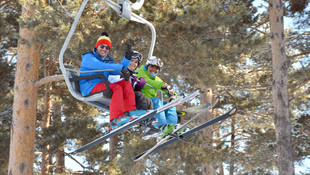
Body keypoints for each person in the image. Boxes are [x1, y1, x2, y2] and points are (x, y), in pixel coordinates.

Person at [79, 32, 145, 129]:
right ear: (97, 46)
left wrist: (126, 59)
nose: (104, 49)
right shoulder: (88, 57)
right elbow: (101, 66)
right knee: (116, 87)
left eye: (107, 48)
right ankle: (115, 119)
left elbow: (115, 72)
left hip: (101, 84)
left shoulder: (107, 61)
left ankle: (130, 111)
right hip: (89, 86)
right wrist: (120, 68)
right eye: (102, 46)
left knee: (125, 83)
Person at [135, 56, 187, 139]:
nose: (153, 70)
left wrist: (173, 96)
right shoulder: (139, 71)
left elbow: (165, 86)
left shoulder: (156, 79)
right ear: (147, 66)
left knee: (169, 105)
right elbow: (150, 82)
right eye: (152, 67)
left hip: (149, 104)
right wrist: (164, 86)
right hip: (140, 102)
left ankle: (172, 127)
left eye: (156, 68)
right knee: (156, 101)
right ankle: (161, 127)